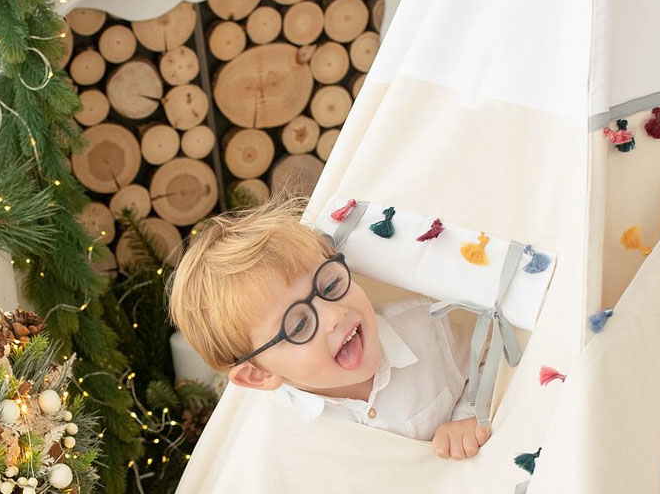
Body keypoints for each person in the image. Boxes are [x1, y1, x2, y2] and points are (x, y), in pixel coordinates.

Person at [167, 196, 492, 460]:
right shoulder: (279, 431)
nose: (334, 315)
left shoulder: (423, 327)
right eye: (299, 324)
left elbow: (487, 357)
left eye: (331, 283)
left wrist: (466, 415)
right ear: (257, 374)